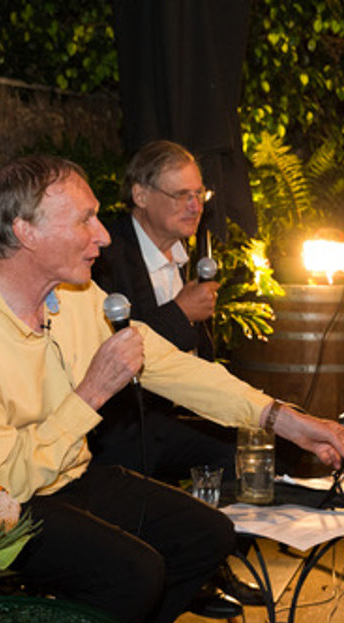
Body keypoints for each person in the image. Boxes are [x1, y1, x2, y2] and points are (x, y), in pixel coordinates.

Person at [0, 155, 344, 623]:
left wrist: (286, 421)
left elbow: (170, 366)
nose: (105, 236)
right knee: (136, 571)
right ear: (26, 232)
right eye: (84, 220)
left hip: (65, 479)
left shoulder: (75, 294)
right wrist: (90, 393)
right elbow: (3, 486)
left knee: (208, 534)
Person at [90, 140, 232, 483]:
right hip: (123, 424)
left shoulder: (183, 255)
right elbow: (110, 348)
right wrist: (181, 312)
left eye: (200, 195)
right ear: (140, 195)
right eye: (182, 195)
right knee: (234, 453)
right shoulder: (106, 254)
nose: (194, 206)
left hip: (176, 409)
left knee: (257, 441)